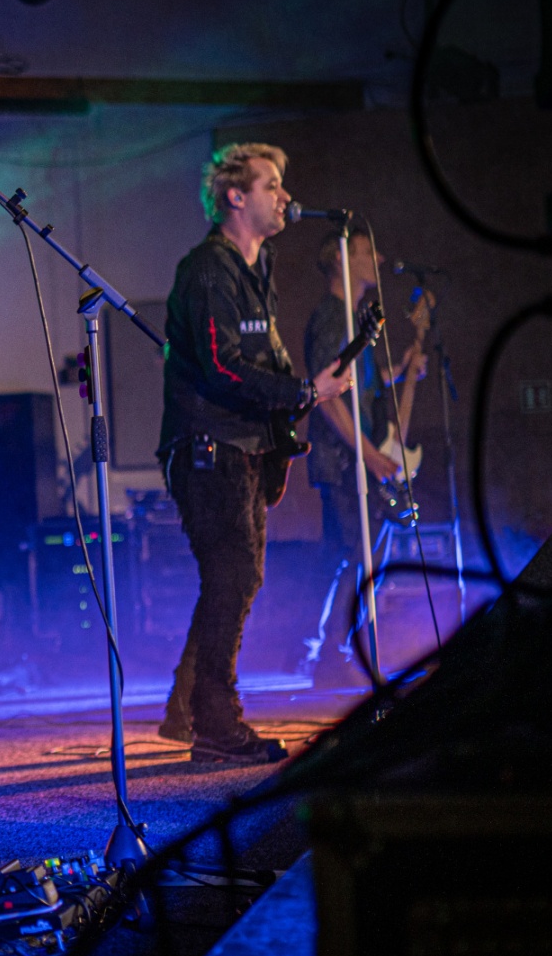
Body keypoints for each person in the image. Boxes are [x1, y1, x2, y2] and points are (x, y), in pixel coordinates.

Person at [156, 143, 353, 763]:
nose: (286, 197)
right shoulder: (207, 270)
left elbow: (263, 355)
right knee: (235, 575)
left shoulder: (259, 264)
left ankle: (192, 710)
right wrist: (304, 393)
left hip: (245, 446)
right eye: (272, 185)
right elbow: (222, 366)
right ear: (235, 197)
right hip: (208, 445)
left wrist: (302, 393)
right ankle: (217, 723)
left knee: (234, 577)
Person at [303, 230, 428, 687]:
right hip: (344, 461)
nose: (378, 256)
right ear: (341, 260)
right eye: (366, 251)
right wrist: (371, 455)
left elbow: (361, 386)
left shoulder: (357, 319)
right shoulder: (332, 318)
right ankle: (331, 654)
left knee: (357, 555)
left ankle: (333, 652)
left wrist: (400, 371)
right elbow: (327, 395)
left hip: (357, 458)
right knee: (355, 556)